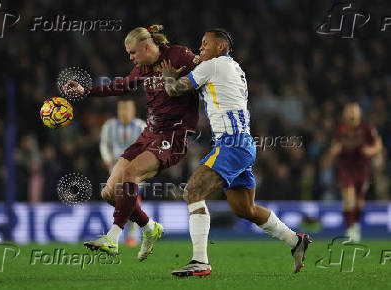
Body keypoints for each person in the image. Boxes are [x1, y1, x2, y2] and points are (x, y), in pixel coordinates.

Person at [160, 28, 311, 277]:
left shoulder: (215, 65)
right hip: (242, 144)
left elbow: (174, 90)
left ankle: (200, 261)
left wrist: (168, 77)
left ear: (220, 47)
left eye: (205, 43)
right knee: (245, 210)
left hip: (231, 143)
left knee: (194, 191)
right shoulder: (233, 68)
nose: (200, 48)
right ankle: (296, 241)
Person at [64, 24, 200, 260]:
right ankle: (150, 228)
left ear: (147, 46)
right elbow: (119, 87)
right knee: (109, 193)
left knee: (131, 174)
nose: (131, 58)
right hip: (149, 133)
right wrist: (86, 91)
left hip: (173, 135)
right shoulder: (143, 69)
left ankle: (112, 238)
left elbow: (207, 72)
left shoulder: (179, 55)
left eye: (133, 53)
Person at [329, 102, 382, 241]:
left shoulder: (367, 128)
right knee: (348, 197)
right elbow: (333, 147)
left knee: (359, 200)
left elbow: (378, 145)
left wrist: (370, 151)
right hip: (345, 167)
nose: (351, 114)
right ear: (345, 114)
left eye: (354, 111)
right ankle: (350, 228)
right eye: (349, 111)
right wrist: (335, 150)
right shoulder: (340, 130)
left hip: (362, 167)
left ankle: (355, 224)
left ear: (359, 114)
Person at [100, 99, 146, 247]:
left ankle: (128, 236)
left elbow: (148, 147)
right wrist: (107, 158)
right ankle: (146, 227)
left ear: (133, 111)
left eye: (127, 109)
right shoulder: (109, 126)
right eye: (121, 110)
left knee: (130, 198)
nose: (124, 113)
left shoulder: (141, 126)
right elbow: (104, 144)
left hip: (136, 170)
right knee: (123, 201)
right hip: (115, 169)